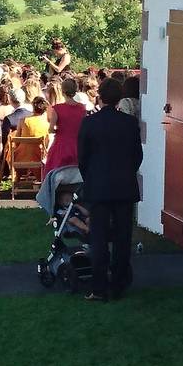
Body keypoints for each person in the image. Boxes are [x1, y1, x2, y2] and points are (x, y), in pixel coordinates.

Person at [78, 79, 143, 302]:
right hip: (124, 186)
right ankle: (119, 284)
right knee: (123, 238)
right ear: (119, 98)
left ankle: (98, 287)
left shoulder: (89, 123)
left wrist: (91, 178)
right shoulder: (130, 123)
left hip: (98, 187)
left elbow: (83, 158)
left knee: (99, 237)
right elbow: (137, 156)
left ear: (101, 97)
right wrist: (126, 173)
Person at [44, 78, 87, 174]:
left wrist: (58, 130)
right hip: (78, 145)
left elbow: (51, 129)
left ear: (62, 91)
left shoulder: (57, 109)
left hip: (62, 145)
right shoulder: (82, 108)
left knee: (54, 170)